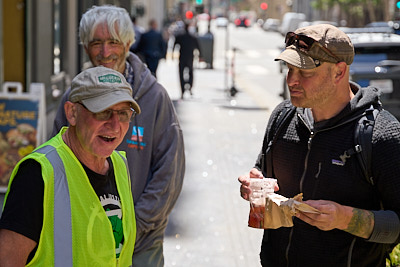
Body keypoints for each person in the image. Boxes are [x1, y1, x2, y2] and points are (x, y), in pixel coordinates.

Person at [238, 24, 400, 266]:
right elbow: (261, 170)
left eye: (305, 72)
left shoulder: (381, 135)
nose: (292, 80)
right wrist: (255, 184)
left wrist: (344, 218)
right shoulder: (283, 117)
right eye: (289, 69)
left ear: (339, 72)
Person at [52, 5, 185, 267]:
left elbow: (169, 173)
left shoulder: (154, 98)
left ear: (128, 43)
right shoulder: (73, 100)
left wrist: (131, 227)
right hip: (82, 239)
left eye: (113, 42)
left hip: (141, 243)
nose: (105, 52)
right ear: (84, 46)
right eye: (96, 43)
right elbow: (59, 163)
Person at [0, 66, 140, 266]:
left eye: (124, 114)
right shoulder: (38, 173)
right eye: (102, 112)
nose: (115, 125)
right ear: (72, 113)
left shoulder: (119, 164)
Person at [173, 22, 200, 99]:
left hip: (182, 58)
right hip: (190, 58)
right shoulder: (192, 37)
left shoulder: (180, 36)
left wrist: (171, 54)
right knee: (190, 73)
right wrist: (200, 56)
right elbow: (197, 47)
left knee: (181, 73)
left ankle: (182, 90)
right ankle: (189, 86)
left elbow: (175, 45)